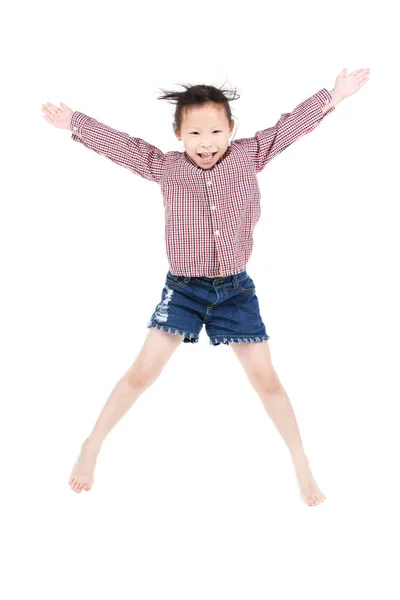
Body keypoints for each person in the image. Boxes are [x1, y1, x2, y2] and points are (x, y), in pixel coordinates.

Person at [41, 68, 370, 505]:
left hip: (235, 291)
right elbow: (123, 147)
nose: (206, 141)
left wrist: (334, 95)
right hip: (183, 290)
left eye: (216, 130)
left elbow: (290, 126)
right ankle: (91, 446)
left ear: (231, 129)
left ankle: (301, 463)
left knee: (267, 380)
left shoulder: (249, 155)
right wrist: (76, 124)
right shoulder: (165, 166)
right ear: (178, 133)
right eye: (195, 132)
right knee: (142, 373)